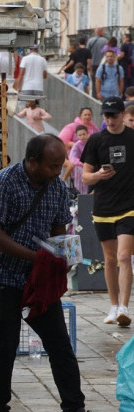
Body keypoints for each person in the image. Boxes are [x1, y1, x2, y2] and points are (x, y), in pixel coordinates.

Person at [0, 134, 110, 412]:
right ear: (32, 161)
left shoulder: (55, 188)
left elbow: (58, 230)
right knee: (4, 347)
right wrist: (35, 257)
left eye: (59, 165)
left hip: (38, 282)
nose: (56, 171)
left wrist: (62, 257)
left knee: (60, 346)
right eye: (52, 166)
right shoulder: (3, 183)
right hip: (2, 279)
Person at [82, 98, 134, 326]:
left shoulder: (132, 138)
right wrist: (98, 176)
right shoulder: (95, 140)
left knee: (124, 256)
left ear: (123, 114)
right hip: (103, 207)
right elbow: (85, 175)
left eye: (114, 115)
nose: (110, 120)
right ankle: (113, 307)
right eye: (106, 116)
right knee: (110, 259)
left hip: (129, 207)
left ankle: (124, 306)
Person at [62, 125, 90, 194]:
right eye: (80, 135)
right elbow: (73, 158)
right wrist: (82, 164)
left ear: (87, 133)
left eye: (84, 134)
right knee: (79, 169)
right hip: (80, 166)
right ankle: (81, 193)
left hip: (90, 164)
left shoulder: (91, 142)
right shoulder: (76, 145)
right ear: (77, 136)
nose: (82, 136)